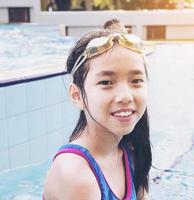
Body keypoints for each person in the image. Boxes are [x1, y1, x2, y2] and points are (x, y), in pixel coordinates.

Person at [43, 31, 152, 200]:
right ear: (77, 96)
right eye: (106, 82)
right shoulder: (75, 173)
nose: (126, 96)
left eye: (136, 80)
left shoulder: (131, 155)